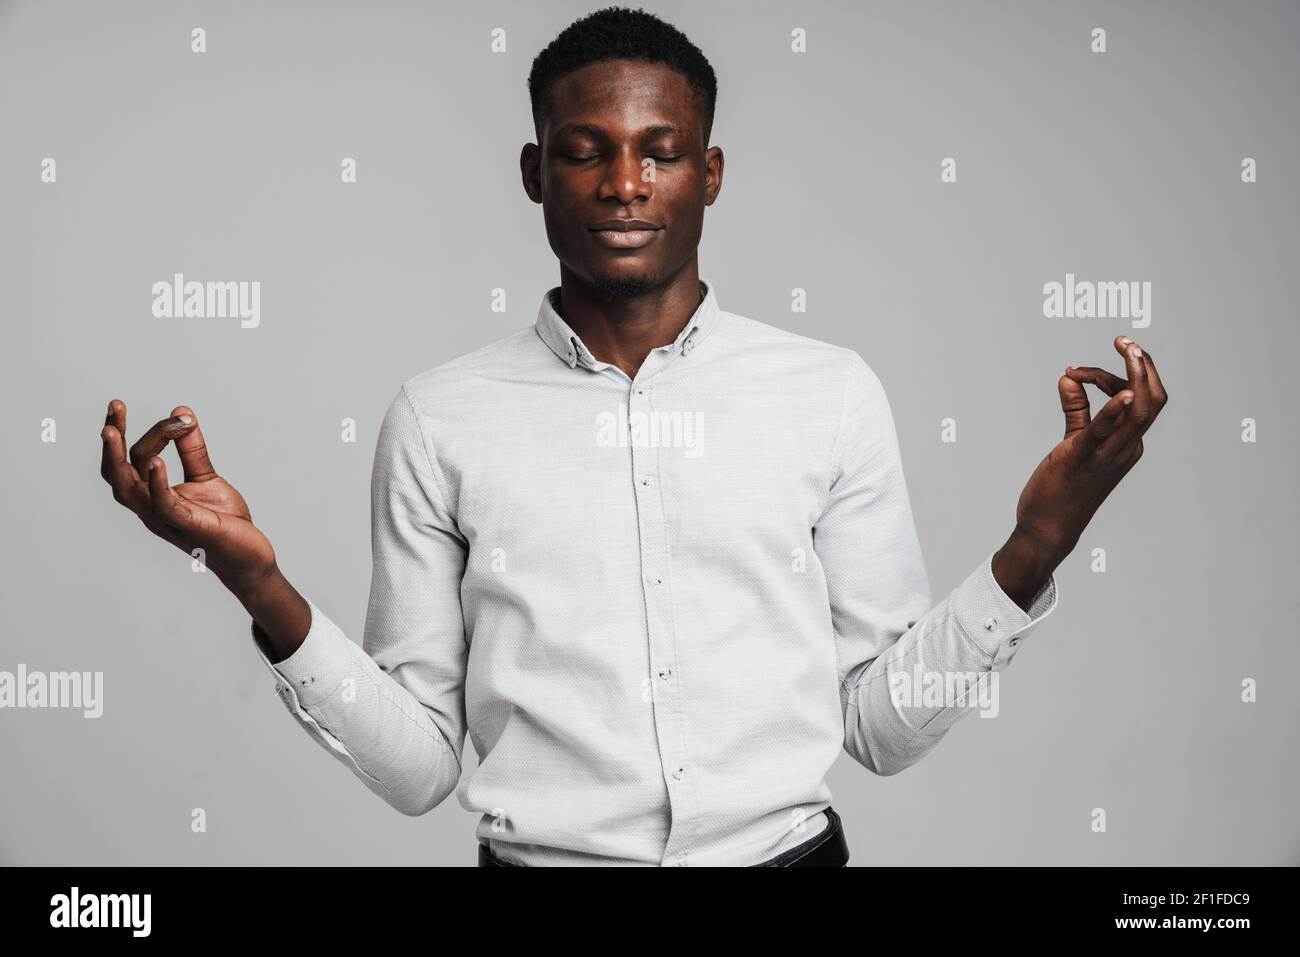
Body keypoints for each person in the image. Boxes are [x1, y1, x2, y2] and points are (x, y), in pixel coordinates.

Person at [98, 6, 1167, 867]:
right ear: (534, 171)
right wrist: (256, 584)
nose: (623, 184)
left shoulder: (827, 393)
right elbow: (422, 769)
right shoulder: (439, 418)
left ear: (708, 172)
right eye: (586, 152)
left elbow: (879, 730)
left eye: (660, 152)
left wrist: (1039, 544)